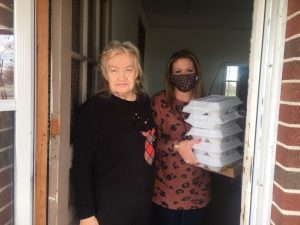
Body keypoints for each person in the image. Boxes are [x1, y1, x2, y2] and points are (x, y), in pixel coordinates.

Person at [71, 40, 156, 225]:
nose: (122, 77)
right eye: (114, 70)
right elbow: (81, 165)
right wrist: (86, 213)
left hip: (142, 204)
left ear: (137, 72)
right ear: (105, 73)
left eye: (128, 69)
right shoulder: (93, 110)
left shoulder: (144, 102)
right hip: (109, 206)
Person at [151, 49, 211, 225]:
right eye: (178, 72)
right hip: (166, 193)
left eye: (189, 71)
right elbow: (150, 143)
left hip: (199, 192)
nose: (184, 75)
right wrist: (178, 146)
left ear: (197, 74)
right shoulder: (159, 102)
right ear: (170, 76)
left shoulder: (207, 103)